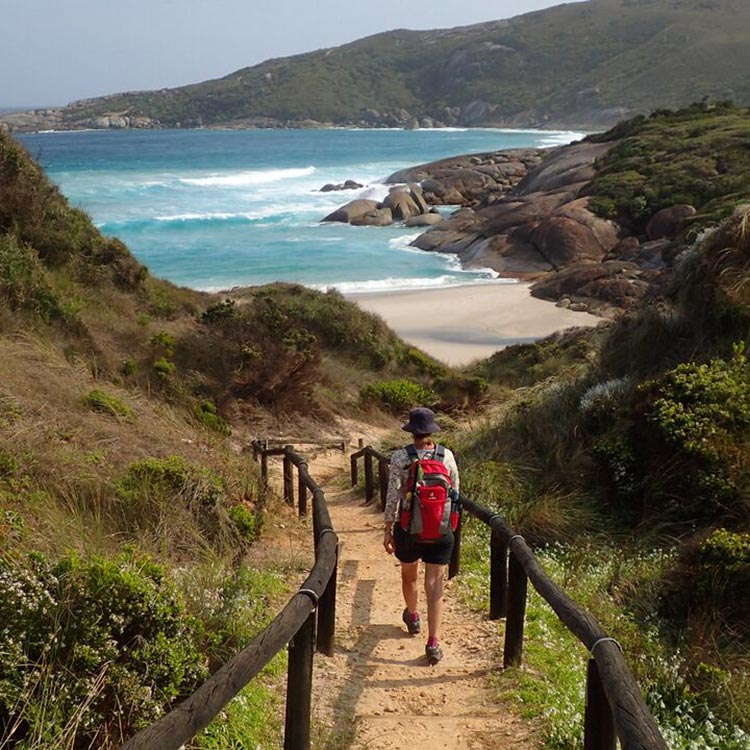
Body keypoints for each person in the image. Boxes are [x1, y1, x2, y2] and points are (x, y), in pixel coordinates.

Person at [383, 407, 459, 665]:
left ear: (411, 432)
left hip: (408, 530)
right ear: (432, 431)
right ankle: (433, 641)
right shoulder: (446, 456)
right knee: (435, 585)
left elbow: (393, 495)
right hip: (440, 530)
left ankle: (413, 615)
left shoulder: (400, 457)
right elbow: (455, 493)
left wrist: (387, 529)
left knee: (409, 575)